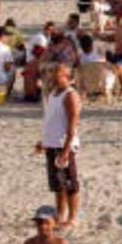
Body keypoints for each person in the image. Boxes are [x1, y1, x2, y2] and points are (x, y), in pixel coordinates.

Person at [36, 64, 81, 228]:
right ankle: (60, 215)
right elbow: (52, 121)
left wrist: (66, 150)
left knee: (70, 184)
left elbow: (72, 125)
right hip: (52, 144)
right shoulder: (53, 94)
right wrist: (44, 142)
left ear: (67, 77)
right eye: (53, 74)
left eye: (59, 75)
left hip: (64, 146)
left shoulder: (70, 96)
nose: (54, 77)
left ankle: (73, 216)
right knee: (58, 185)